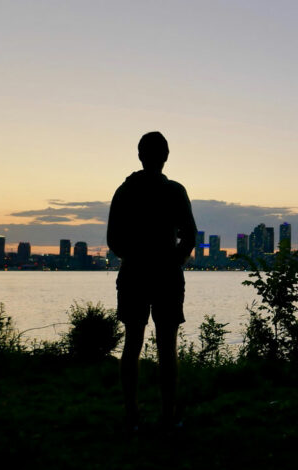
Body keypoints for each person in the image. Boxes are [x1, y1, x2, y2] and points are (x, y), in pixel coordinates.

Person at [107, 131, 197, 430]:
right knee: (166, 347)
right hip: (167, 276)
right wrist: (174, 259)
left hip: (133, 273)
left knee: (132, 344)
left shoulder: (124, 191)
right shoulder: (174, 190)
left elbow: (113, 239)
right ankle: (168, 416)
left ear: (140, 155)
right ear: (166, 156)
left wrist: (133, 257)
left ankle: (132, 415)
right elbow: (190, 234)